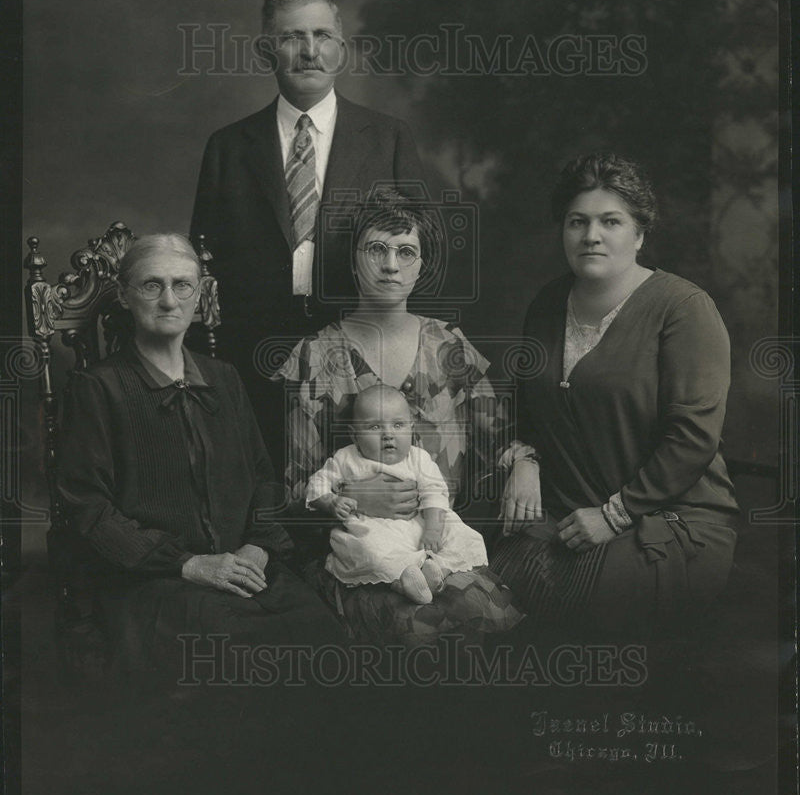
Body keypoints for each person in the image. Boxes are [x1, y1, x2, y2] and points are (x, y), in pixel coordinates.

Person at [57, 233, 344, 678]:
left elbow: (264, 479)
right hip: (153, 579)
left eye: (182, 285)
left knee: (320, 636)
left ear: (200, 296)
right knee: (230, 655)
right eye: (152, 285)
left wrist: (257, 547)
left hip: (244, 566)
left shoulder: (224, 379)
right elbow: (89, 508)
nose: (169, 300)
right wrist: (188, 564)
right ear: (125, 296)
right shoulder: (98, 389)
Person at [493, 153, 739, 632]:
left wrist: (614, 515)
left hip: (671, 520)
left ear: (640, 234)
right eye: (577, 222)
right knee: (487, 590)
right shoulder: (546, 305)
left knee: (591, 616)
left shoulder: (683, 309)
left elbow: (693, 437)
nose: (591, 235)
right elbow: (525, 408)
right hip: (569, 511)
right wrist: (525, 458)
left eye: (611, 221)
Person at [190, 0, 426, 474]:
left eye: (322, 35)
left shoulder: (387, 139)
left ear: (341, 48)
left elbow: (415, 251)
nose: (309, 50)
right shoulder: (229, 147)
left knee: (359, 489)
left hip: (360, 351)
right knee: (268, 490)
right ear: (266, 50)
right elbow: (203, 264)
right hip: (252, 353)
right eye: (292, 37)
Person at [274, 195, 525, 642]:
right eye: (376, 249)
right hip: (357, 553)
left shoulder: (449, 348)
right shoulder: (315, 357)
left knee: (484, 614)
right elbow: (293, 487)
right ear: (354, 262)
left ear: (420, 266)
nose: (390, 265)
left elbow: (503, 439)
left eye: (405, 251)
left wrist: (527, 463)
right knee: (420, 625)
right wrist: (353, 496)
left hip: (435, 543)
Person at [307, 385, 489, 605]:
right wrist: (331, 501)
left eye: (398, 425)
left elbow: (435, 493)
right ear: (354, 435)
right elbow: (317, 484)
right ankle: (404, 583)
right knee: (369, 553)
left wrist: (432, 530)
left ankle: (438, 571)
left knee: (462, 537)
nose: (388, 435)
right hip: (373, 531)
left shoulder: (418, 458)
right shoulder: (346, 459)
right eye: (375, 426)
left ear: (411, 429)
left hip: (421, 526)